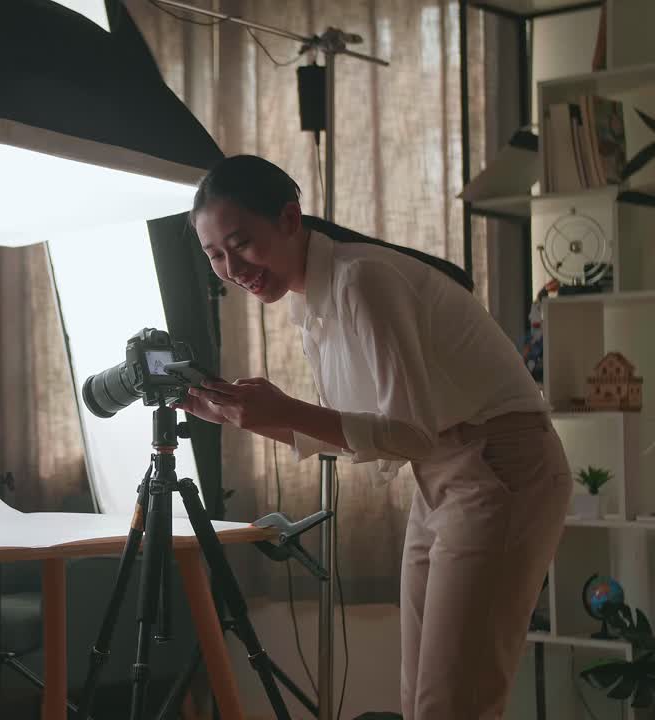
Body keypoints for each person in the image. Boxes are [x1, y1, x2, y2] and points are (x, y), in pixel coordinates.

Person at [173, 155, 572, 720]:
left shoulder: (363, 280)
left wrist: (282, 409)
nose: (232, 267)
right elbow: (364, 436)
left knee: (451, 702)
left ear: (289, 218)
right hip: (444, 475)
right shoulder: (313, 302)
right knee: (420, 698)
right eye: (215, 255)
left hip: (502, 467)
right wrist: (244, 416)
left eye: (241, 243)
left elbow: (404, 433)